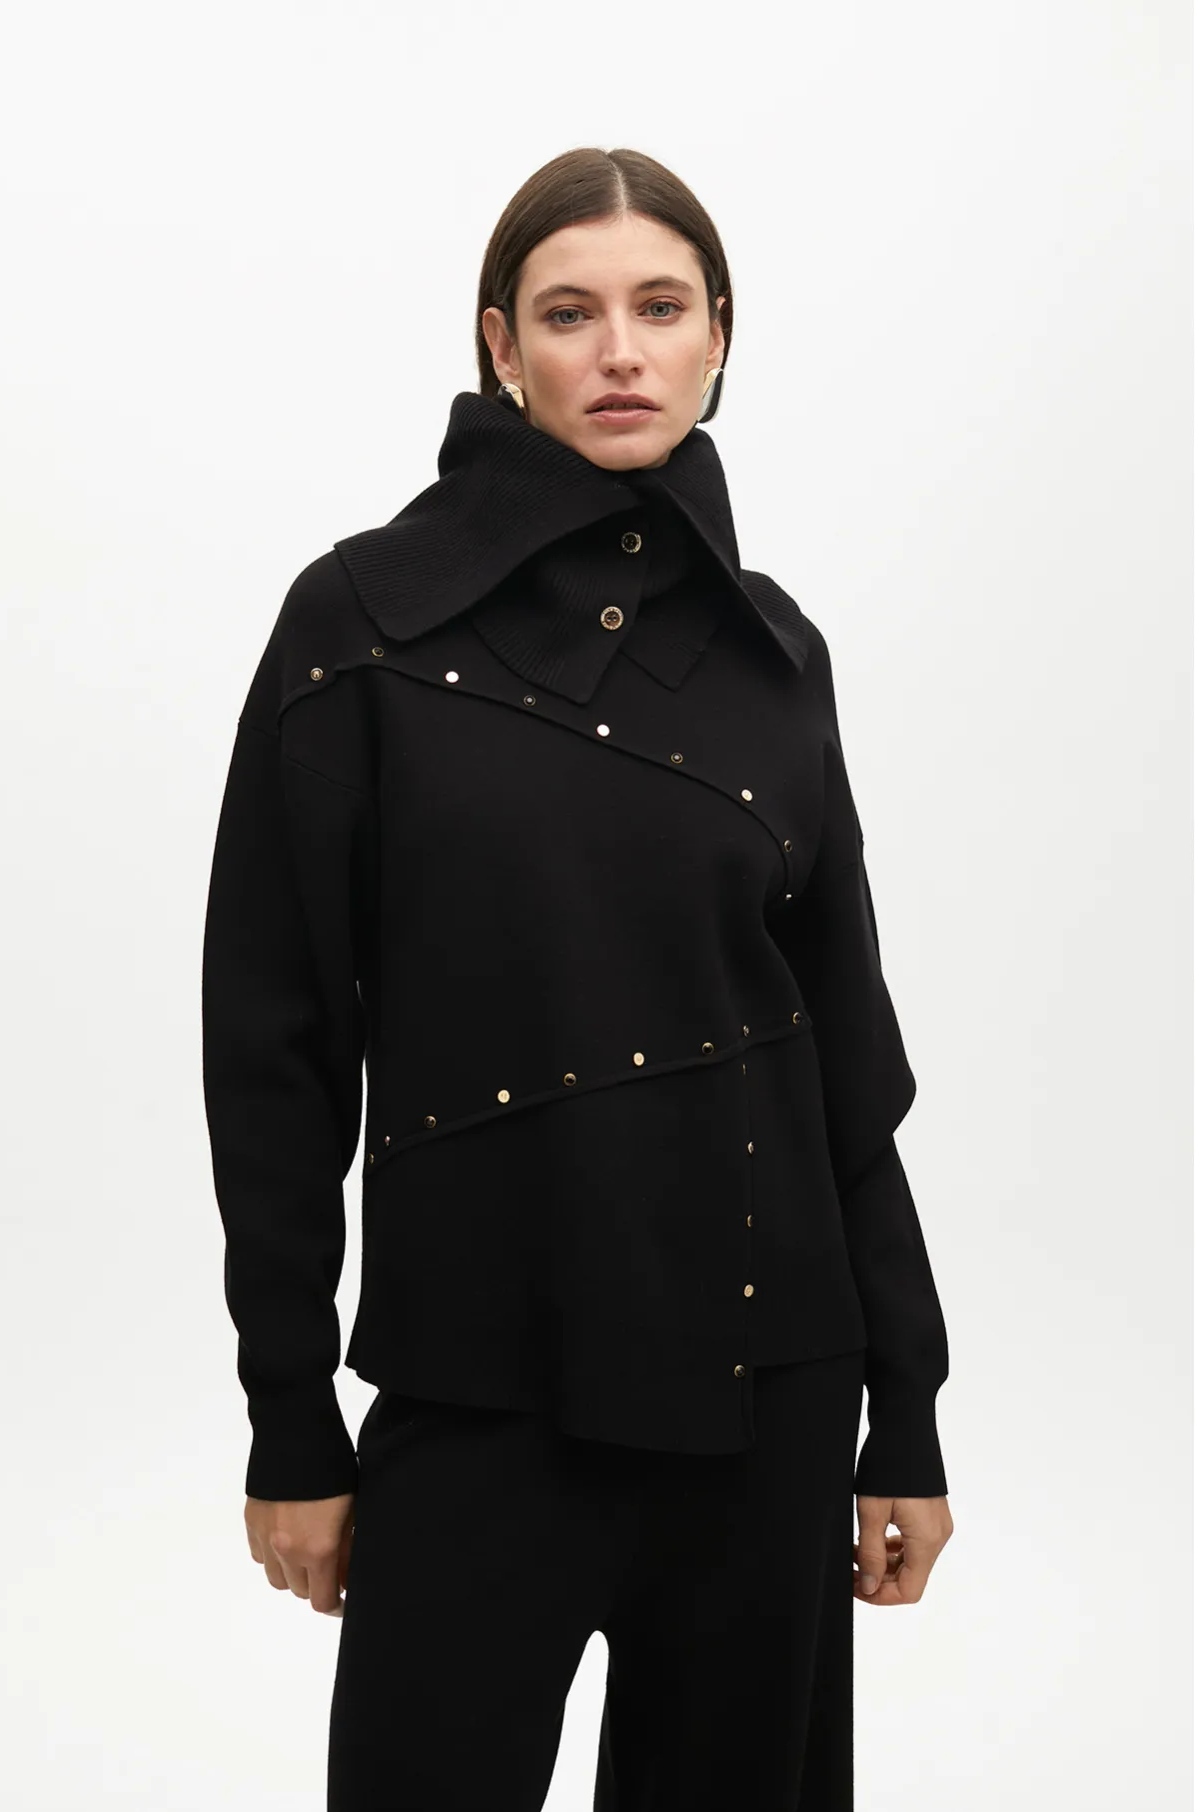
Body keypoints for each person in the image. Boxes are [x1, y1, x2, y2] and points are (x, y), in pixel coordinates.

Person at [200, 144, 954, 1811]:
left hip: (769, 1399)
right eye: (569, 313)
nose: (620, 350)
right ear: (500, 346)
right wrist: (289, 1416)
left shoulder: (777, 651)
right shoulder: (358, 624)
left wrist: (904, 1408)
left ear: (718, 337)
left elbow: (848, 1068)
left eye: (660, 308)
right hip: (478, 1390)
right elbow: (274, 1055)